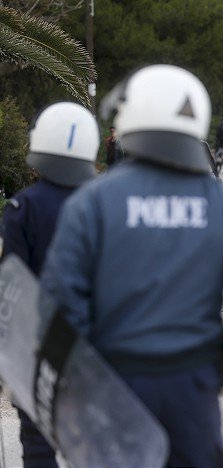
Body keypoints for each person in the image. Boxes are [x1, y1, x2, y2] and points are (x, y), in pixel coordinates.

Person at [40, 65, 223, 466]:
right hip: (193, 386)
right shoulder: (220, 205)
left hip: (111, 386)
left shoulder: (93, 202)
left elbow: (61, 300)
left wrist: (75, 380)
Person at [1, 102, 100, 468]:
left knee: (39, 443)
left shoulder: (21, 208)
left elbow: (11, 287)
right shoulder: (106, 204)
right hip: (97, 347)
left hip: (38, 348)